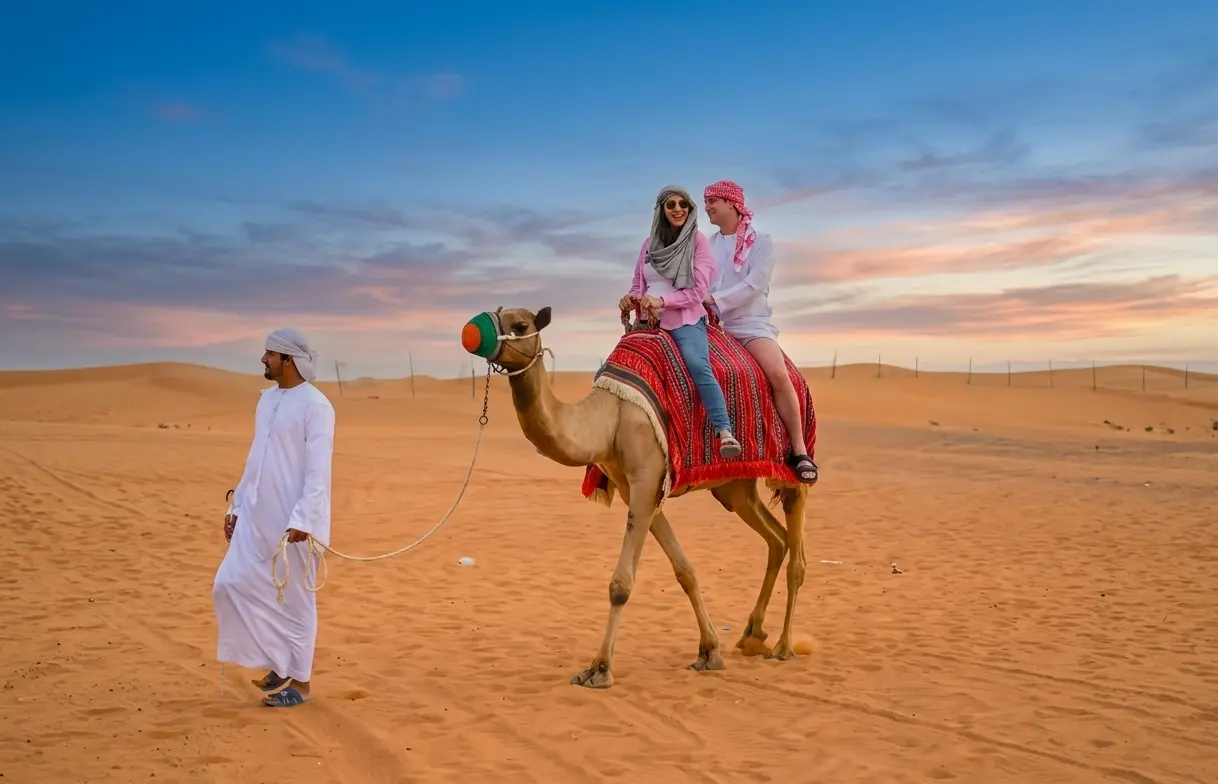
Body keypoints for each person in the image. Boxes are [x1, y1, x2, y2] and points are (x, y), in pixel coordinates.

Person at [213, 327, 336, 708]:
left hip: (294, 525)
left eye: (269, 354)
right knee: (230, 584)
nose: (263, 360)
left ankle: (299, 684)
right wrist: (236, 507)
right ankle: (278, 664)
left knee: (297, 603)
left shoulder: (316, 406)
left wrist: (305, 519)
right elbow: (257, 459)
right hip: (256, 514)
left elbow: (318, 472)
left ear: (289, 359)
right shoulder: (266, 401)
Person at [702, 179, 817, 483]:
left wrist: (715, 299)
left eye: (713, 201)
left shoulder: (761, 241)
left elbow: (755, 285)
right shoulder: (707, 244)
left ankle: (800, 450)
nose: (707, 207)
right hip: (713, 325)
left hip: (750, 325)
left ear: (731, 204)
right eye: (705, 202)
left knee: (779, 376)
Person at [618, 185, 741, 458]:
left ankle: (724, 431)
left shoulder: (698, 242)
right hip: (648, 323)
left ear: (690, 209)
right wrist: (631, 299)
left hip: (684, 320)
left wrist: (662, 302)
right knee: (611, 369)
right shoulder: (649, 245)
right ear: (661, 209)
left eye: (683, 204)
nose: (677, 209)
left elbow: (698, 291)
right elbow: (639, 283)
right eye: (670, 204)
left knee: (698, 365)